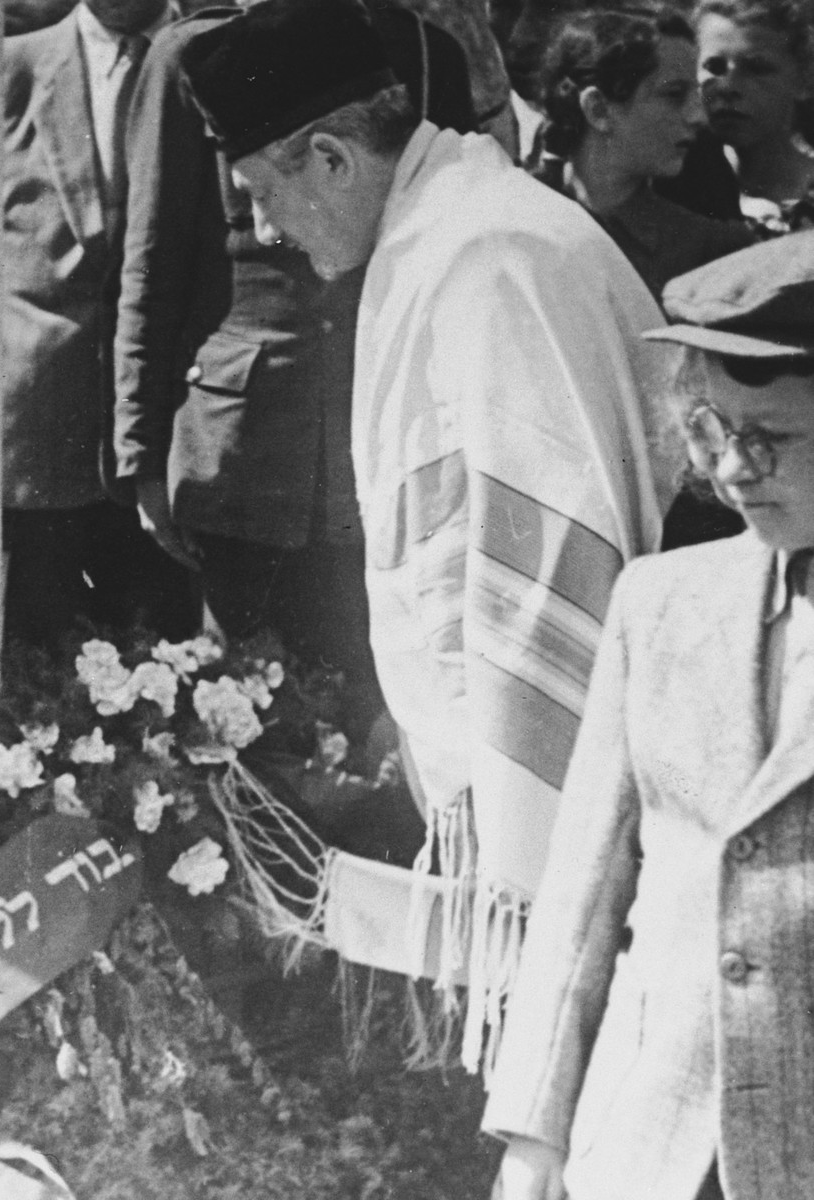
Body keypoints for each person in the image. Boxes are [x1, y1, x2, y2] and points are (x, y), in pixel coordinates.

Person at [178, 0, 676, 1064]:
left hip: (597, 774)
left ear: (328, 156)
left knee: (570, 1055)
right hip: (540, 757)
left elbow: (545, 571)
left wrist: (528, 867)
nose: (265, 228)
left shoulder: (490, 254)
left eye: (263, 193)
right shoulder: (445, 226)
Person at [484, 233, 814, 1200]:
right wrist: (533, 1134)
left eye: (775, 439)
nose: (733, 470)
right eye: (710, 431)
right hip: (655, 1143)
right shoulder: (658, 601)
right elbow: (586, 887)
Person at [112, 0, 475, 742]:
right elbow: (154, 258)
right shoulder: (194, 54)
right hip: (243, 445)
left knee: (383, 712)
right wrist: (139, 452)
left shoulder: (420, 49)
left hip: (381, 428)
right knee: (239, 716)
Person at [0, 0, 201, 653]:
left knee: (165, 672)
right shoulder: (9, 69)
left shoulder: (208, 56)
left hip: (172, 440)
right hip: (41, 439)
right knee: (39, 677)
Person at [534, 6, 754, 300]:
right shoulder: (520, 215)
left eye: (696, 95)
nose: (698, 116)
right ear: (598, 109)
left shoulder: (711, 251)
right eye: (674, 94)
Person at [697, 0, 814, 234]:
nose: (728, 86)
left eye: (756, 68)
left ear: (805, 81)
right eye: (714, 67)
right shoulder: (672, 190)